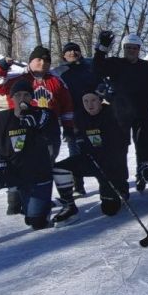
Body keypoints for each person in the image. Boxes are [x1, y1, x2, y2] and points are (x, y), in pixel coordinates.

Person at [0, 78, 59, 246]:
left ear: (32, 98)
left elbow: (53, 145)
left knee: (37, 222)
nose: (22, 98)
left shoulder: (45, 116)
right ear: (11, 98)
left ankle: (25, 199)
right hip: (10, 170)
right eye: (18, 95)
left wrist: (38, 129)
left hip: (37, 173)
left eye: (26, 95)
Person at [0, 45, 74, 214]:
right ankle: (15, 200)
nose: (43, 63)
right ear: (31, 61)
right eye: (38, 59)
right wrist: (2, 65)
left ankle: (39, 199)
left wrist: (68, 128)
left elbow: (67, 105)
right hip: (19, 131)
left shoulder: (56, 81)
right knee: (17, 163)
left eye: (47, 60)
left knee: (45, 165)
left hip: (47, 132)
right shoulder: (16, 78)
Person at [49, 87, 130, 223]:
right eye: (85, 101)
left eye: (93, 100)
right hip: (91, 160)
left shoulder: (112, 113)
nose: (89, 104)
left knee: (109, 210)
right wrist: (78, 138)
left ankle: (121, 190)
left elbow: (123, 130)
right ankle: (69, 206)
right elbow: (80, 135)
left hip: (112, 165)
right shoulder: (80, 116)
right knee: (59, 168)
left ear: (100, 100)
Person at [93, 31, 148, 192]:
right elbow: (97, 69)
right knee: (119, 150)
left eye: (135, 48)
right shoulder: (115, 63)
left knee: (143, 147)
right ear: (124, 48)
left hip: (143, 114)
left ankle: (143, 174)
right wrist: (101, 48)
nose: (132, 50)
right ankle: (121, 184)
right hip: (120, 115)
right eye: (128, 47)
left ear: (139, 49)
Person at [51, 41, 101, 197]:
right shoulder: (58, 72)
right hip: (71, 119)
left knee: (98, 150)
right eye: (69, 51)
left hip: (92, 116)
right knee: (75, 152)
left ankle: (106, 181)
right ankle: (78, 185)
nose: (72, 53)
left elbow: (100, 85)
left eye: (75, 50)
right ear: (64, 55)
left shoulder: (89, 67)